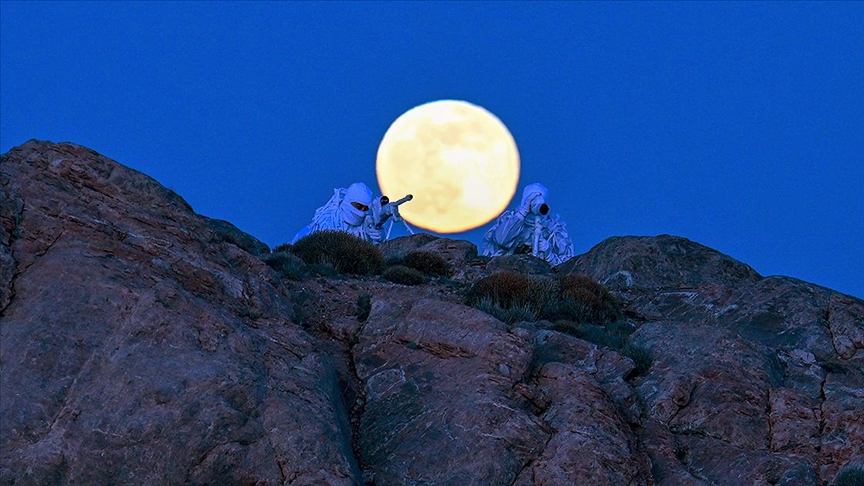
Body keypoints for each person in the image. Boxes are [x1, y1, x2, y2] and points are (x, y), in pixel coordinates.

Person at [481, 182, 574, 265]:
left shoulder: (554, 230)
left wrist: (548, 254)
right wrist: (522, 213)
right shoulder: (509, 219)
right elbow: (500, 240)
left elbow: (566, 266)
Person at [290, 182, 381, 244]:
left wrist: (377, 233)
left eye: (365, 208)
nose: (361, 212)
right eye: (358, 206)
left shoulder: (365, 224)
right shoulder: (327, 221)